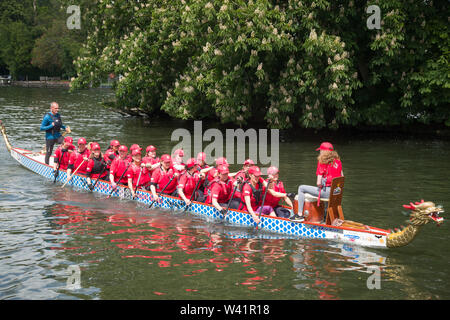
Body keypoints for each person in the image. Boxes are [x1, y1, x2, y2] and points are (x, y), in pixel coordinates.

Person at [297, 142, 343, 219]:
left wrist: (322, 183)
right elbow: (342, 177)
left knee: (301, 188)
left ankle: (299, 215)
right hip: (337, 192)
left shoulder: (322, 162)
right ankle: (326, 217)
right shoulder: (338, 161)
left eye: (320, 150)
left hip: (327, 192)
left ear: (323, 151)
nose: (319, 152)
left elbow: (318, 183)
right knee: (322, 190)